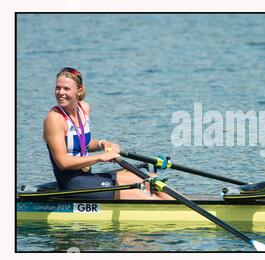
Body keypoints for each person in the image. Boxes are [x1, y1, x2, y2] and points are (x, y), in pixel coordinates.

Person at [43, 67, 172, 200]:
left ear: (79, 90)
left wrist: (102, 143)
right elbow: (63, 162)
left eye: (66, 89)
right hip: (72, 184)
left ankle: (185, 212)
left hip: (88, 178)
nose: (60, 93)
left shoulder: (84, 109)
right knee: (141, 194)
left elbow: (82, 143)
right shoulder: (54, 119)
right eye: (58, 88)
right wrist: (100, 157)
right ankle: (174, 215)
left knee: (153, 179)